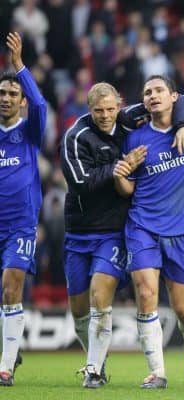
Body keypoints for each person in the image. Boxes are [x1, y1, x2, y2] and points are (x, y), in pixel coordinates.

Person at [60, 82, 184, 388]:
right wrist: (120, 167)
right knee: (79, 309)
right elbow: (80, 182)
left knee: (100, 294)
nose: (106, 116)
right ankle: (98, 357)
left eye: (111, 109)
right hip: (79, 230)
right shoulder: (75, 136)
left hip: (114, 231)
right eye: (99, 111)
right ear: (88, 108)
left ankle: (93, 370)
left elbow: (179, 100)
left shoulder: (127, 119)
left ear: (120, 104)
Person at [113, 75, 184, 389]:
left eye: (159, 90)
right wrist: (121, 176)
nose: (152, 96)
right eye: (147, 92)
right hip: (142, 225)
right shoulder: (134, 138)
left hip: (182, 232)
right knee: (146, 294)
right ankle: (157, 372)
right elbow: (128, 190)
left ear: (174, 96)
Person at [0, 32, 46, 387]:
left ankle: (5, 366)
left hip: (20, 225)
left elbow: (42, 105)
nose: (6, 98)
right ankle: (11, 350)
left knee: (11, 287)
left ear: (22, 100)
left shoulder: (30, 131)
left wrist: (18, 67)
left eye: (13, 93)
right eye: (2, 92)